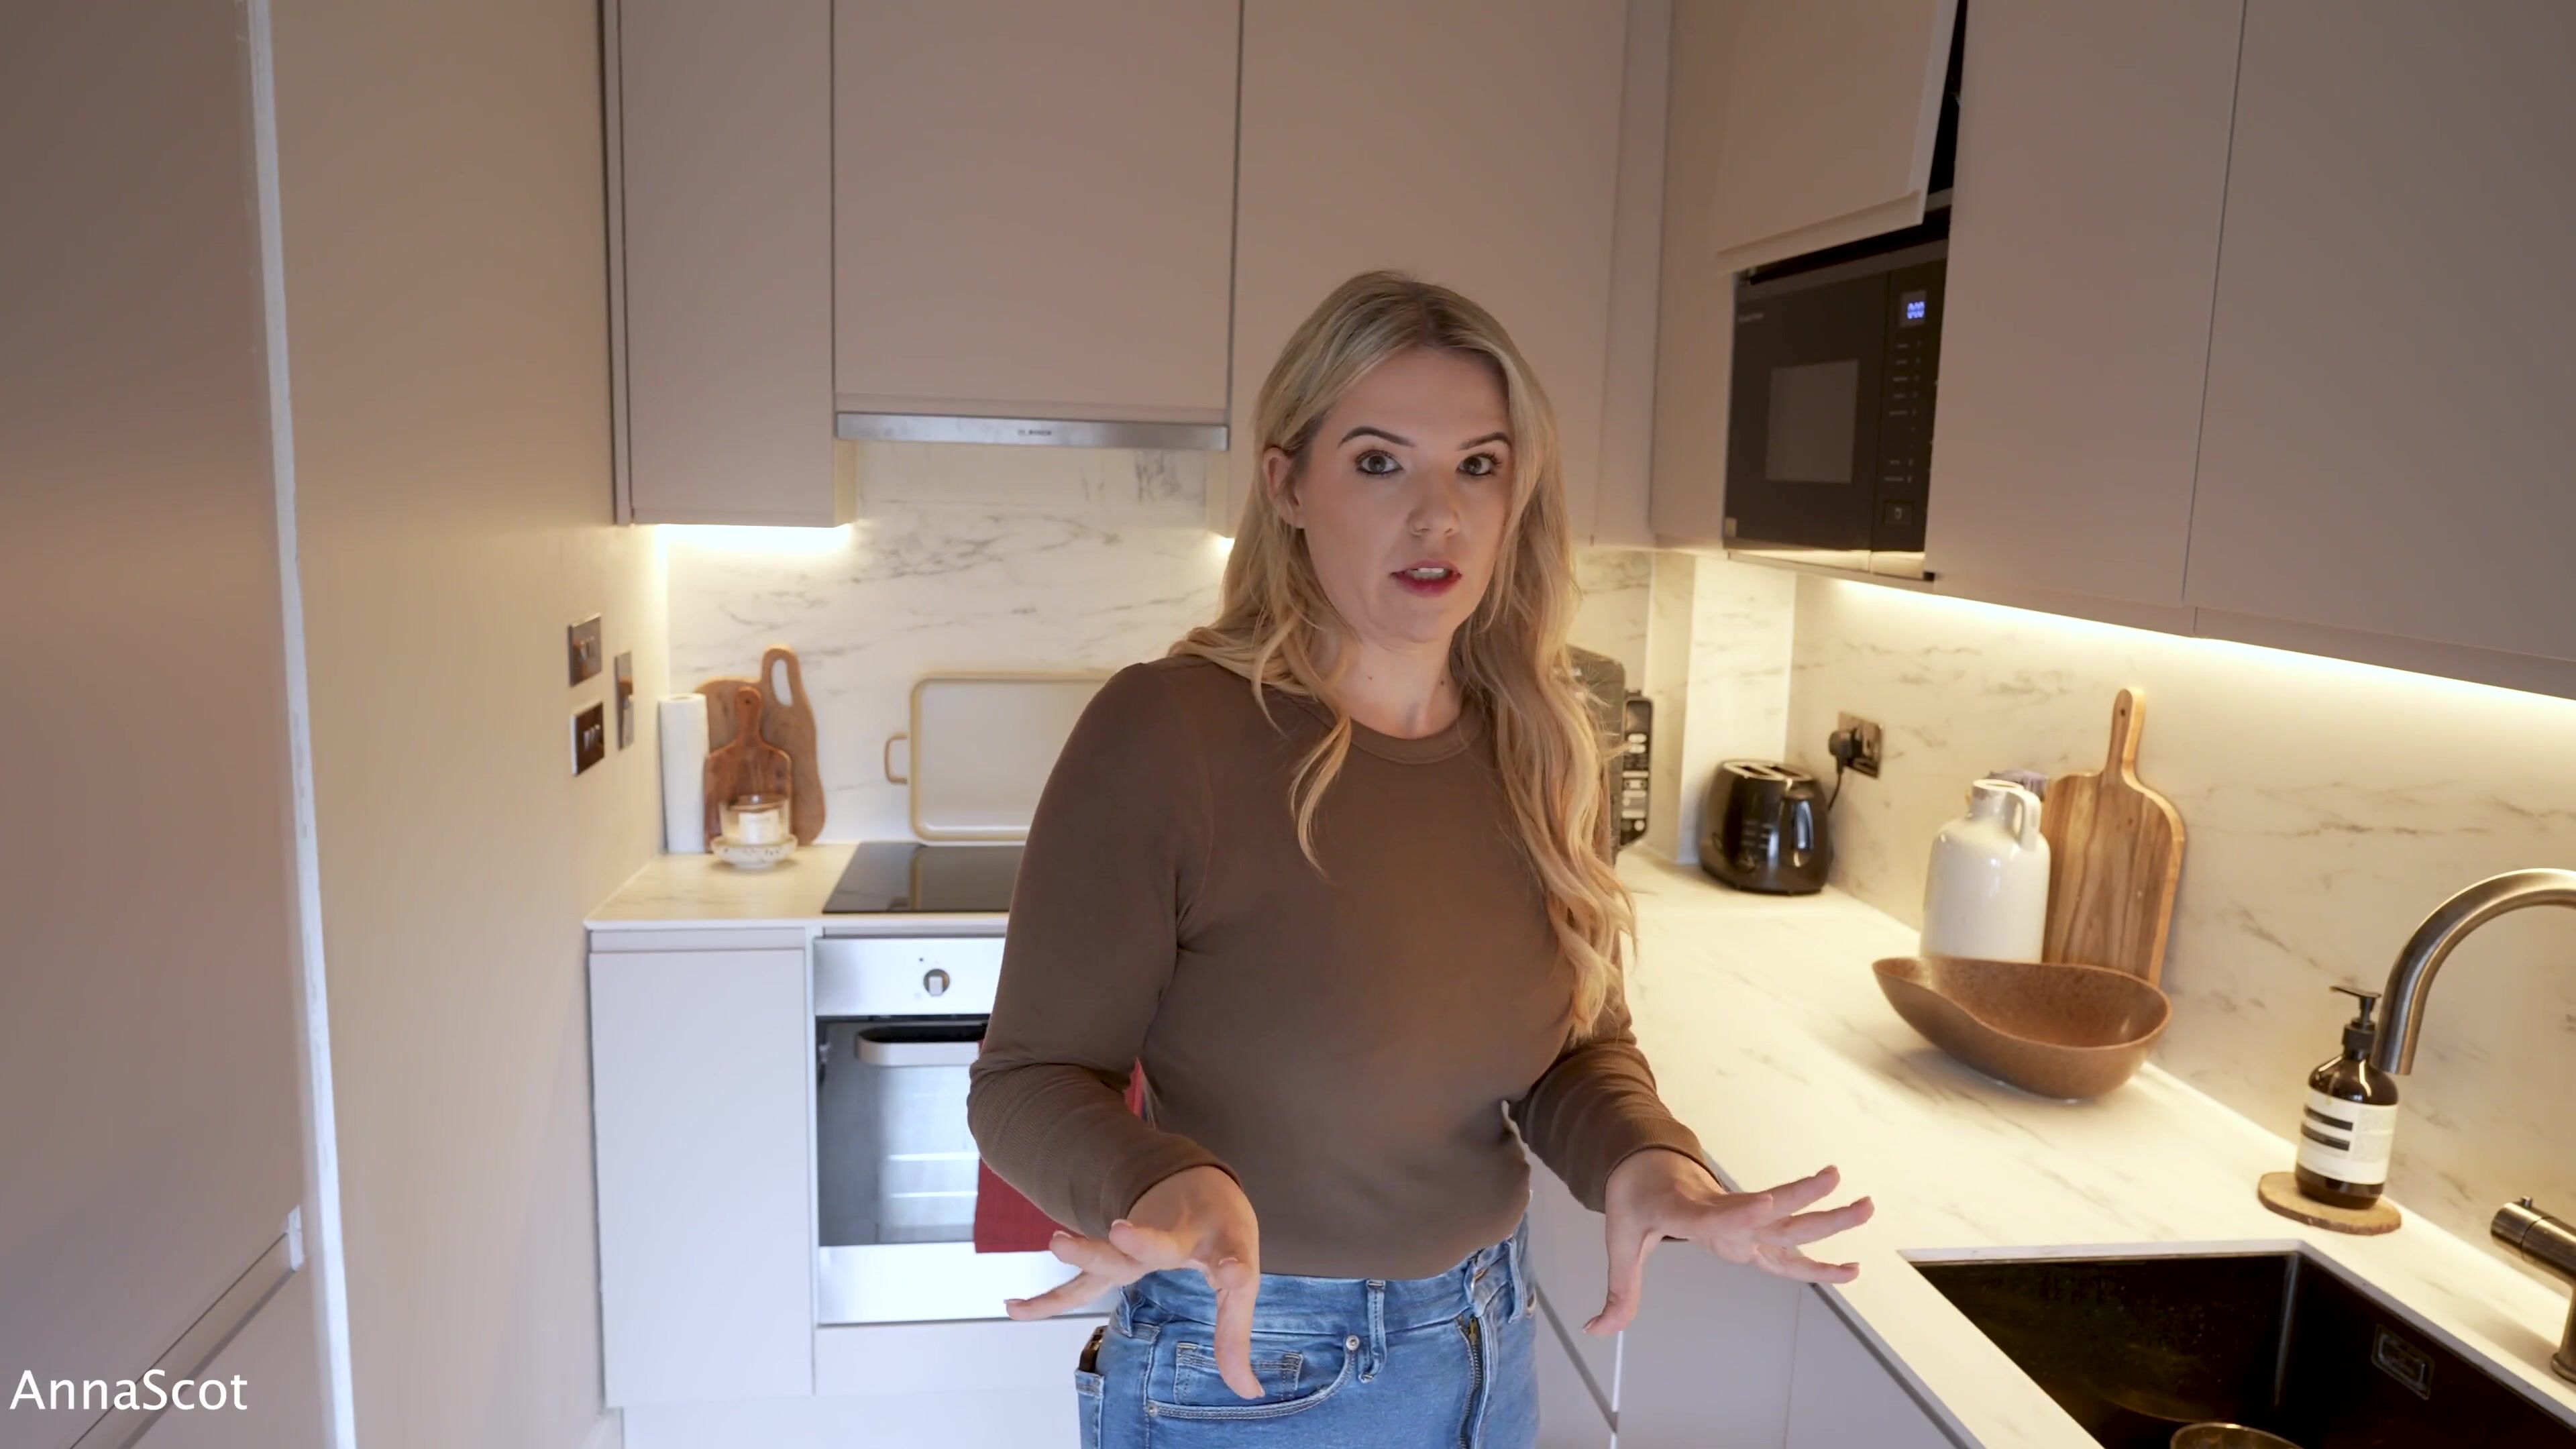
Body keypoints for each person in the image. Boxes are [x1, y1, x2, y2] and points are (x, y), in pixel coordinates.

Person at [967, 270, 1873, 1448]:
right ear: (1288, 484)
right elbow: (1028, 1081)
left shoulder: (1546, 742)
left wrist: (1649, 1165)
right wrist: (1161, 1184)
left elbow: (1575, 1053)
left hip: (1490, 1338)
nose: (1439, 516)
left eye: (1477, 466)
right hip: (1256, 1364)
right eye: (1380, 462)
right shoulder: (1170, 734)